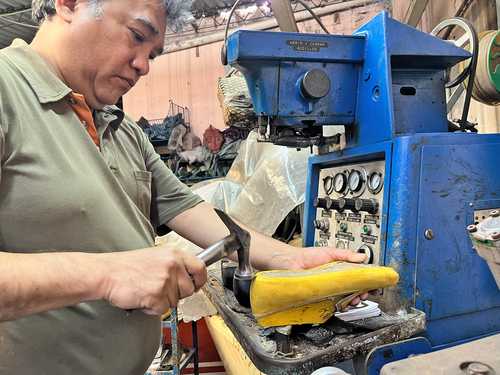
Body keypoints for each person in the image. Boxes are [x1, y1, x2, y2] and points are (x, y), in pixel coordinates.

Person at [0, 0, 366, 373]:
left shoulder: (121, 129)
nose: (143, 65)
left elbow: (187, 208)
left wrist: (292, 260)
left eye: (153, 54)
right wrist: (107, 275)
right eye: (136, 35)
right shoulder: (6, 91)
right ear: (68, 4)